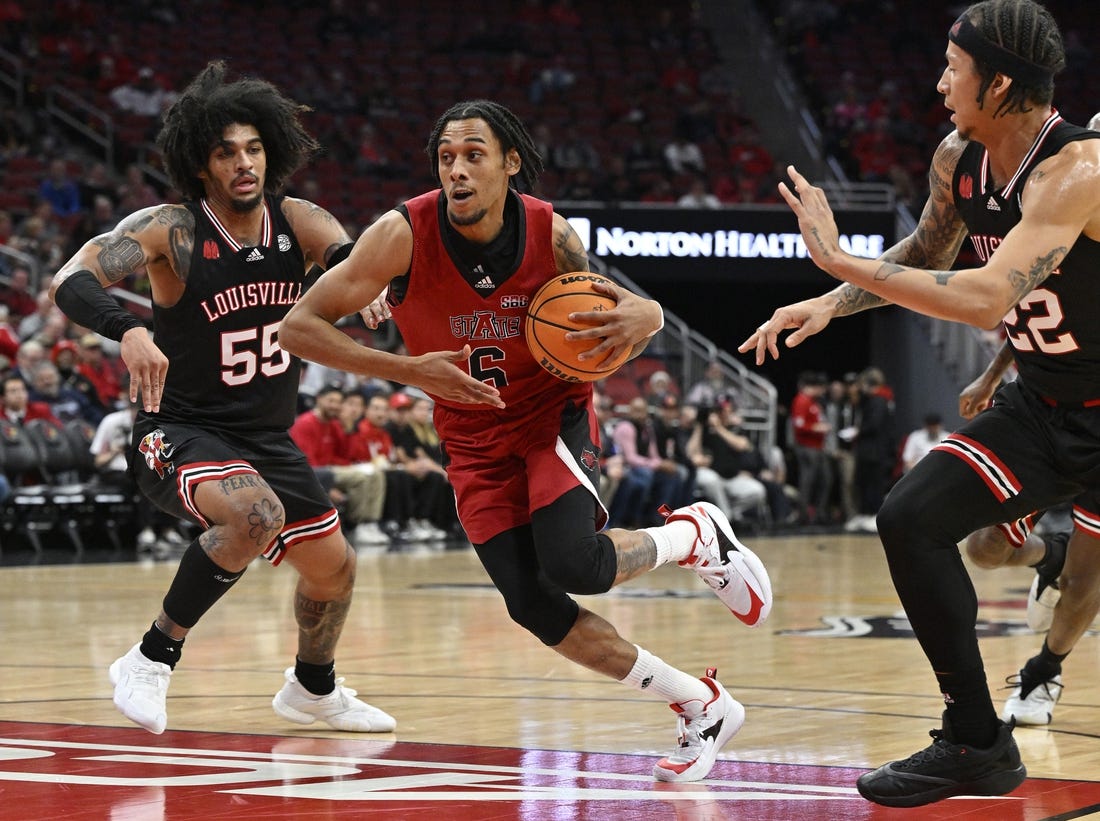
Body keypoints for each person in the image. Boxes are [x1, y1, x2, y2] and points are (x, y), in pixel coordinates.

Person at [280, 99, 773, 783]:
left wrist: (652, 313)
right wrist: (404, 368)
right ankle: (700, 703)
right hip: (470, 437)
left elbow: (615, 314)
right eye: (446, 156)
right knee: (532, 604)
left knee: (576, 564)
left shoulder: (552, 234)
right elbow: (297, 328)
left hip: (550, 417)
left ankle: (693, 537)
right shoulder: (402, 234)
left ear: (511, 163)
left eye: (473, 154)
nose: (456, 168)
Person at [739, 1, 1097, 806]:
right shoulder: (958, 158)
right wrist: (831, 299)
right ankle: (976, 741)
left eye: (953, 68)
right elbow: (928, 254)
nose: (938, 82)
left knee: (1086, 584)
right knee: (910, 516)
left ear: (999, 82)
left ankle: (1040, 673)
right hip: (1045, 404)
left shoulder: (1079, 171)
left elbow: (980, 296)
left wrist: (839, 258)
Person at [47, 61, 395, 737]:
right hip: (177, 429)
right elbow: (71, 277)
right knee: (255, 514)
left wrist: (365, 280)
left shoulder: (297, 220)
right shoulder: (170, 231)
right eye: (225, 151)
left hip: (264, 435)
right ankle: (150, 656)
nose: (244, 163)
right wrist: (130, 327)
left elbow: (355, 255)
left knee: (335, 570)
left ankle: (313, 688)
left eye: (254, 148)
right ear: (200, 165)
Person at [288, 383, 390, 547]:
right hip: (314, 472)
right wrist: (326, 487)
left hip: (332, 470)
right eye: (331, 401)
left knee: (376, 473)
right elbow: (306, 463)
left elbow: (345, 455)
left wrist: (349, 429)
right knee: (361, 477)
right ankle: (358, 524)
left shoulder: (333, 424)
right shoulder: (306, 423)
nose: (335, 405)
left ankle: (370, 523)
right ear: (319, 399)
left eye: (338, 402)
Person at [789, 370, 831, 524]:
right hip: (807, 447)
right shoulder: (801, 400)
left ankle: (818, 514)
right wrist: (816, 428)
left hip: (818, 447)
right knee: (808, 481)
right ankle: (804, 516)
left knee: (824, 479)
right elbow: (799, 425)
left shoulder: (814, 402)